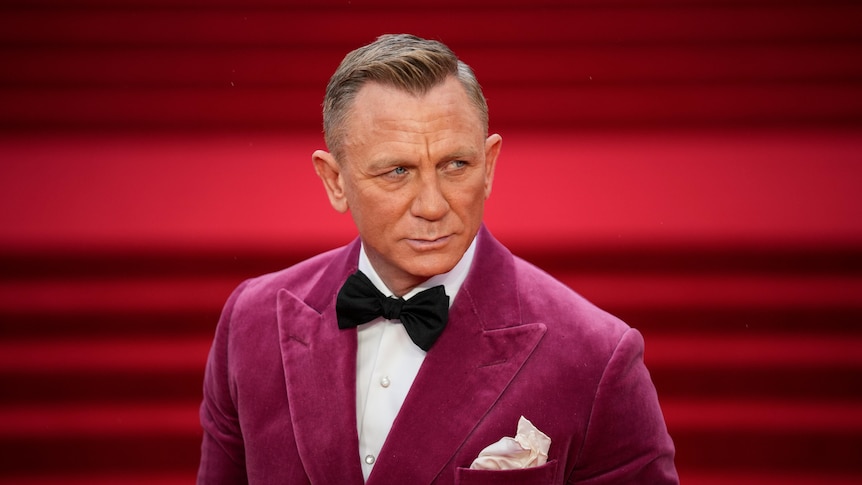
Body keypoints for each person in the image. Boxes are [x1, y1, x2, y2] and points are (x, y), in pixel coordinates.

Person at [197, 33, 678, 484]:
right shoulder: (250, 321)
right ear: (334, 181)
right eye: (397, 171)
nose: (432, 205)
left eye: (455, 165)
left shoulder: (595, 356)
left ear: (488, 167)